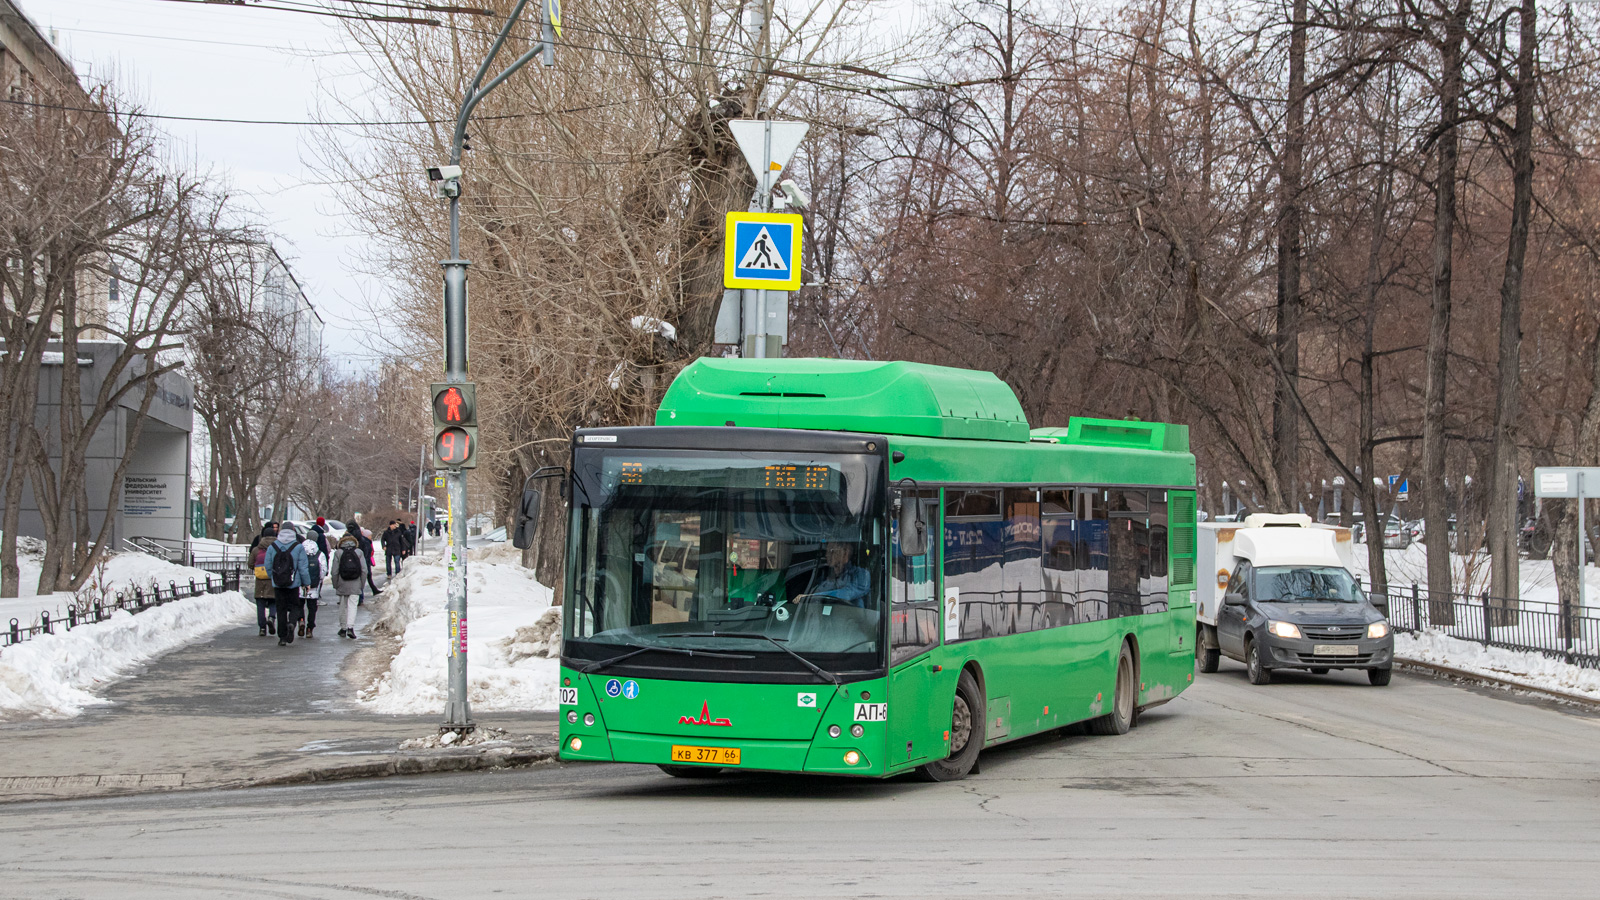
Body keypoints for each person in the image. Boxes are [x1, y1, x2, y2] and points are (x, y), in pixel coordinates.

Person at [263, 525, 311, 646]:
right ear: (293, 531)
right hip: (293, 583)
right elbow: (303, 567)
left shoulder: (272, 546)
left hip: (278, 584)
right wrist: (306, 582)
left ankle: (282, 637)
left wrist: (273, 577)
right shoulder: (298, 547)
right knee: (295, 606)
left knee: (281, 609)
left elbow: (268, 565)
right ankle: (292, 623)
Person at [799, 541, 871, 607]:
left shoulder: (862, 575)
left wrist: (812, 596)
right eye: (826, 551)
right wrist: (807, 597)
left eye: (832, 551)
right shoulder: (823, 576)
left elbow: (846, 594)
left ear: (845, 554)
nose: (827, 555)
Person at [331, 524, 369, 639]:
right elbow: (364, 570)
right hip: (355, 583)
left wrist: (335, 584)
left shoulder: (338, 553)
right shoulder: (359, 552)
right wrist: (361, 584)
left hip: (342, 583)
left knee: (343, 606)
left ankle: (343, 628)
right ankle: (350, 628)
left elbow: (334, 572)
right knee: (352, 606)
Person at [249, 521, 279, 636]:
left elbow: (250, 563)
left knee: (260, 603)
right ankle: (271, 617)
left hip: (260, 580)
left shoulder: (257, 549)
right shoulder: (277, 548)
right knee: (273, 601)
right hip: (273, 578)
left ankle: (262, 628)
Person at [299, 535, 322, 638]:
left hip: (301, 586)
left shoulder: (300, 552)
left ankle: (301, 620)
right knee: (312, 608)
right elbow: (323, 570)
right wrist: (319, 580)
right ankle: (309, 628)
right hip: (313, 587)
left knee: (300, 606)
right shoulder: (319, 554)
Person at [357, 523, 381, 595]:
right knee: (365, 577)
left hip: (366, 562)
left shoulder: (366, 541)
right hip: (365, 562)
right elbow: (366, 554)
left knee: (367, 577)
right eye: (370, 535)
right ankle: (363, 594)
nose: (371, 537)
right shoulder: (365, 542)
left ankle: (373, 590)